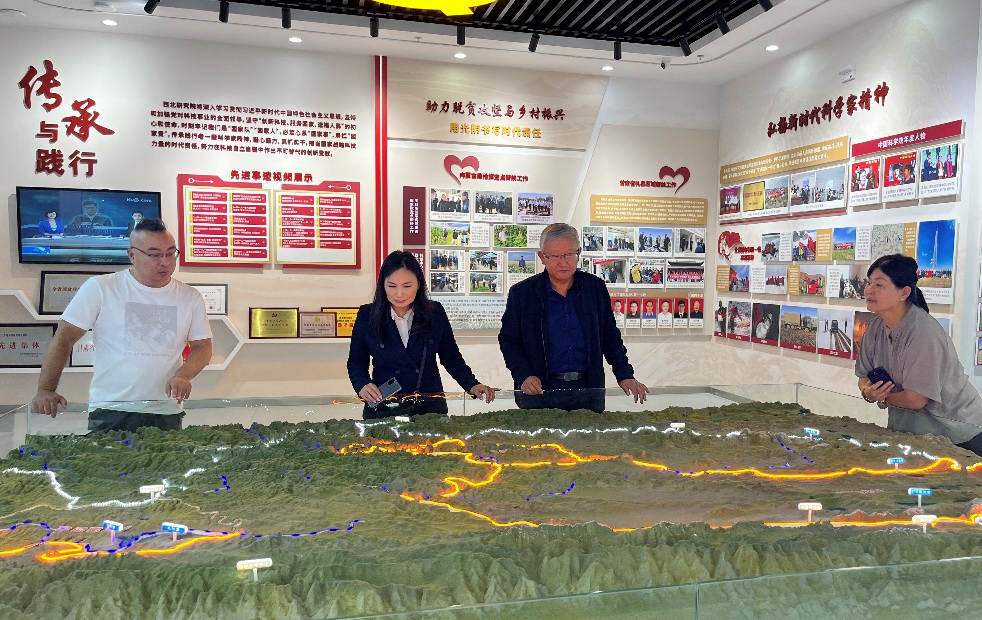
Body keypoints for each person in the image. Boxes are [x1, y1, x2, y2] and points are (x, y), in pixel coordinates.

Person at [31, 219, 213, 432]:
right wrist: (46, 389)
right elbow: (64, 338)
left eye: (170, 253)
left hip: (166, 409)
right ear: (132, 255)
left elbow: (203, 347)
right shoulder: (102, 288)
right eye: (154, 255)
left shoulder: (189, 296)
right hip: (111, 409)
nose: (165, 262)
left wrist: (183, 375)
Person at [498, 223, 647, 413]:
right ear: (542, 257)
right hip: (540, 391)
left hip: (588, 390)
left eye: (570, 254)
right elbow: (509, 340)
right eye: (555, 256)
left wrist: (624, 374)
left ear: (579, 253)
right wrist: (523, 375)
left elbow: (609, 335)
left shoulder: (594, 288)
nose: (563, 262)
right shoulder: (523, 293)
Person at [857, 254, 982, 455]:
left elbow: (915, 400)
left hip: (957, 433)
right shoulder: (874, 327)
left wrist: (882, 398)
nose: (869, 290)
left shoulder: (923, 332)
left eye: (879, 285)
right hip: (912, 432)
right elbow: (864, 376)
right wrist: (867, 391)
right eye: (869, 282)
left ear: (904, 292)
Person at [348, 250, 496, 419]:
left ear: (418, 283)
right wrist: (362, 384)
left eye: (407, 286)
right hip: (385, 405)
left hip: (428, 404)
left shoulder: (434, 312)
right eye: (392, 286)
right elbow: (356, 361)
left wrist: (472, 384)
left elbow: (451, 356)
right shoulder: (367, 314)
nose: (399, 294)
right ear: (382, 285)